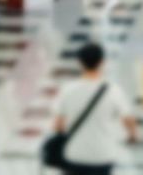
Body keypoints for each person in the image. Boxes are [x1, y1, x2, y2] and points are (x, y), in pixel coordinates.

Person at [52, 43, 137, 175]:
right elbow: (128, 120)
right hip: (103, 156)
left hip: (75, 154)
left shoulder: (67, 90)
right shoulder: (113, 90)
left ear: (80, 62)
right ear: (102, 62)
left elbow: (58, 126)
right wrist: (132, 136)